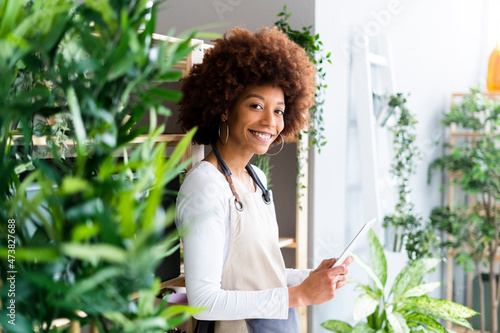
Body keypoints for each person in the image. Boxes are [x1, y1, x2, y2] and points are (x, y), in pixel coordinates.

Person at [175, 27, 354, 333]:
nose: (270, 122)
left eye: (279, 110)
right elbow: (204, 300)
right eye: (256, 105)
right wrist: (299, 295)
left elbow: (257, 276)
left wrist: (310, 278)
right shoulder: (205, 187)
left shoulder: (255, 178)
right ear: (224, 107)